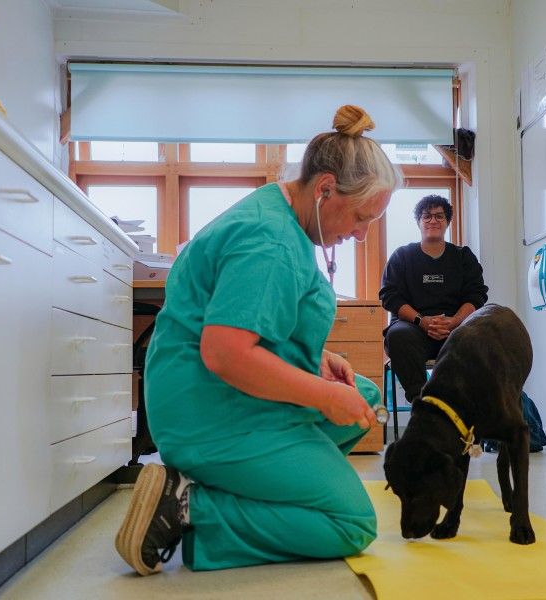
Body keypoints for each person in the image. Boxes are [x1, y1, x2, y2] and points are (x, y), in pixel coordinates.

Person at [115, 105, 401, 576]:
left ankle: (265, 487)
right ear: (325, 188)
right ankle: (189, 508)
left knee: (363, 398)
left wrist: (317, 357)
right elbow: (225, 352)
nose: (361, 234)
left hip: (206, 389)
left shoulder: (280, 210)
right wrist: (323, 394)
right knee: (351, 522)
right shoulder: (271, 242)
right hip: (208, 410)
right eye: (360, 217)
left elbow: (250, 316)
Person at [379, 195, 488, 406]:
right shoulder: (402, 256)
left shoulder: (463, 257)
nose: (433, 221)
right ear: (418, 221)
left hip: (454, 330)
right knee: (397, 335)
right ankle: (423, 404)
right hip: (413, 329)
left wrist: (454, 321)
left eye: (439, 216)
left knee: (479, 336)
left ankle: (458, 405)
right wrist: (422, 321)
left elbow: (476, 294)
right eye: (427, 216)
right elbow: (390, 296)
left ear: (447, 221)